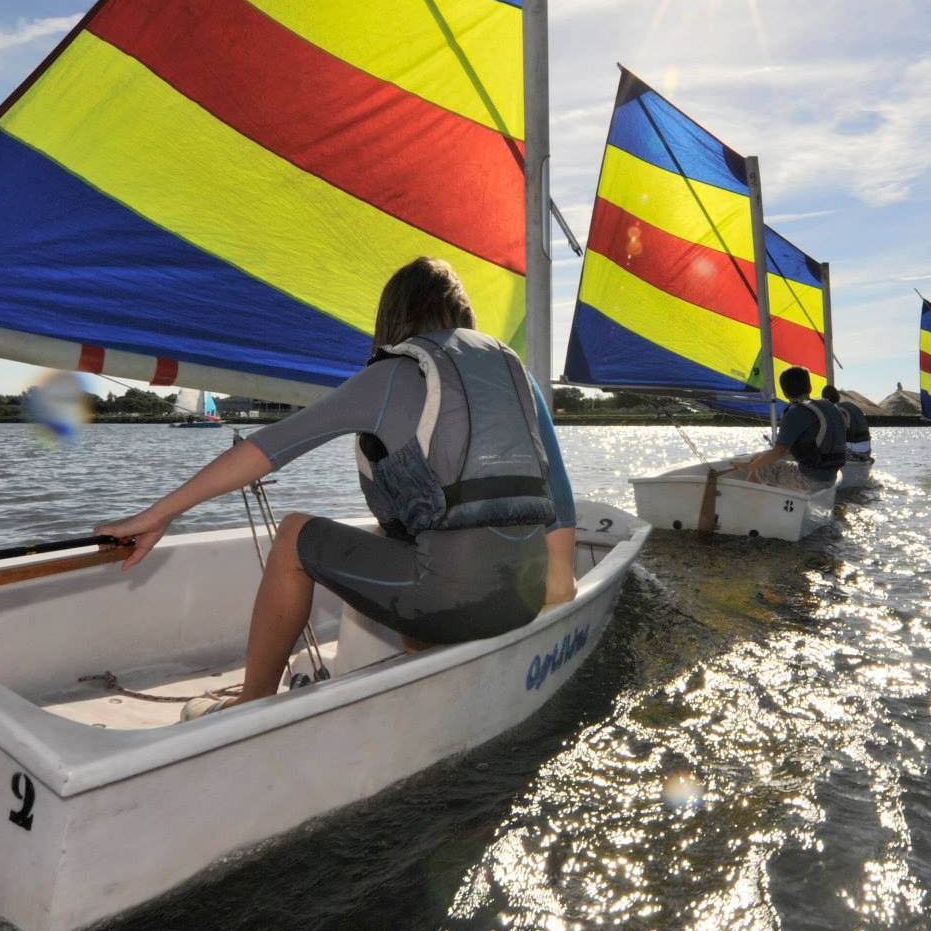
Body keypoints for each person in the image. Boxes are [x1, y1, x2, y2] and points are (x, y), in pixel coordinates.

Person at [96, 257, 577, 714]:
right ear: (462, 315)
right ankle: (429, 665)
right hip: (522, 598)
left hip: (453, 601)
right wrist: (560, 583)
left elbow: (267, 449)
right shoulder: (514, 376)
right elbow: (555, 495)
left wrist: (159, 514)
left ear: (394, 318)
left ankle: (252, 700)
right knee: (393, 542)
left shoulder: (393, 374)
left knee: (293, 537)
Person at [736, 366, 847, 489]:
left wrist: (748, 467)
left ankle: (748, 502)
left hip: (811, 479)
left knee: (762, 467)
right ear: (810, 387)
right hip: (831, 476)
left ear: (784, 393)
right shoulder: (830, 407)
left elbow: (778, 453)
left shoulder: (795, 414)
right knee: (762, 460)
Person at [821, 384, 871, 460]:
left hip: (855, 451)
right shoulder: (850, 405)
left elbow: (838, 435)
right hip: (867, 450)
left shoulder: (837, 411)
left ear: (826, 399)